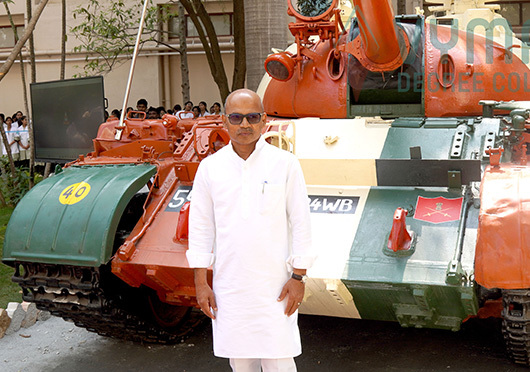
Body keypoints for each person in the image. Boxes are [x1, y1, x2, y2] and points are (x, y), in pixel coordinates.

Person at [187, 88, 315, 372]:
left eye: (252, 117)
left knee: (280, 360)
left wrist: (298, 277)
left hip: (276, 286)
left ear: (264, 120)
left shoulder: (285, 164)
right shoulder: (210, 169)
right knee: (240, 362)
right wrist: (200, 283)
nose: (244, 125)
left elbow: (302, 222)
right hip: (230, 287)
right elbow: (200, 228)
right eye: (236, 117)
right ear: (224, 121)